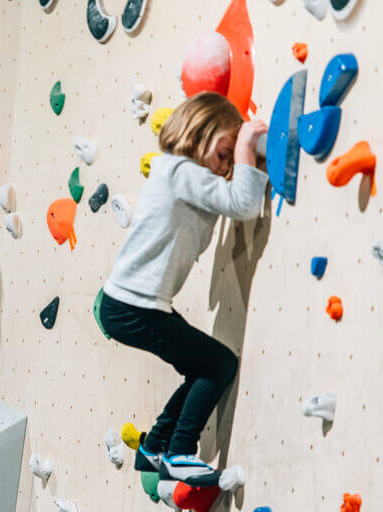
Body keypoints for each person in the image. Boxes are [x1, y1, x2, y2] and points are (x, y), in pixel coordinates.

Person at [97, 91, 268, 485]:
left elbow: (224, 200)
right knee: (219, 363)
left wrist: (237, 153)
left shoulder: (174, 173)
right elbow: (243, 205)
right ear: (199, 134)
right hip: (135, 306)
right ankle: (179, 452)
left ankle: (155, 447)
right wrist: (246, 146)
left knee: (200, 367)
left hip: (129, 303)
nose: (226, 166)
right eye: (223, 154)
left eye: (230, 158)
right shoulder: (183, 172)